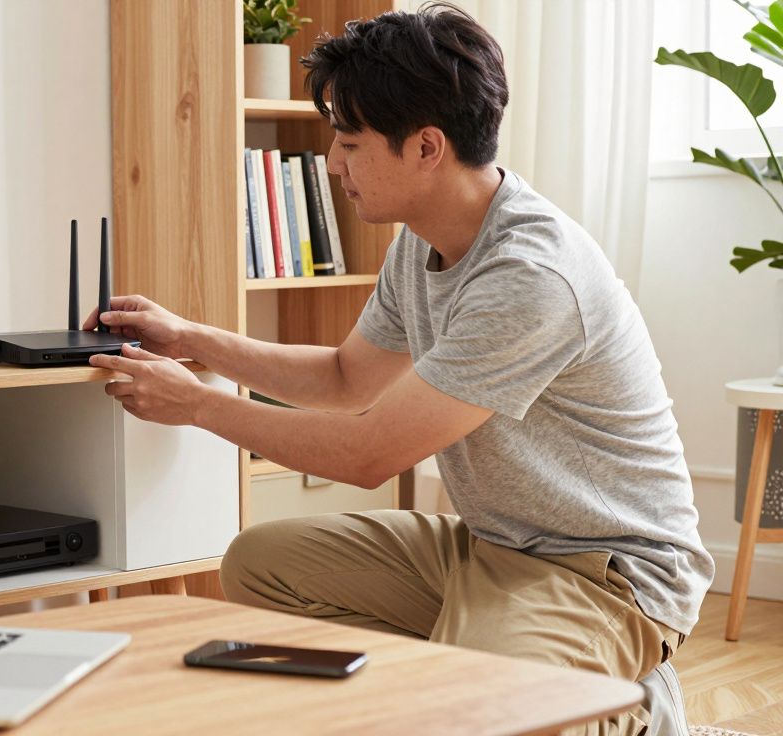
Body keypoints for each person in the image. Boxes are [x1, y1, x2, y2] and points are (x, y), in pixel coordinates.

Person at [84, 4, 710, 734]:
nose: (332, 164)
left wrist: (198, 405)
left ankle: (632, 709)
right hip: (492, 547)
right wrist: (191, 337)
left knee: (473, 719)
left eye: (349, 142)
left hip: (604, 576)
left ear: (425, 148)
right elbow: (347, 379)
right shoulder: (424, 240)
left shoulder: (530, 275)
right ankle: (475, 671)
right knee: (259, 561)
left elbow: (368, 453)